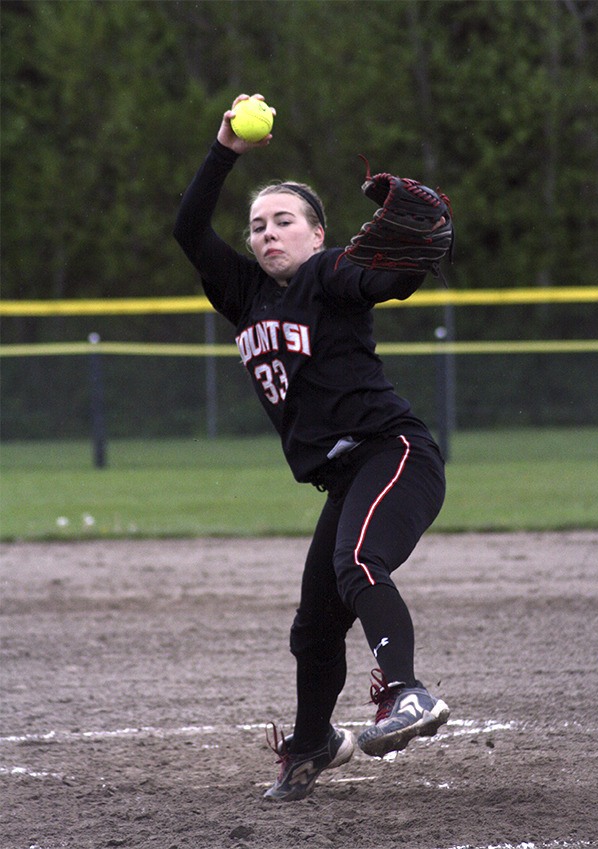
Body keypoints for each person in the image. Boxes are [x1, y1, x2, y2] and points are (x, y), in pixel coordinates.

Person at [174, 93, 450, 802]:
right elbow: (188, 228)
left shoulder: (330, 275)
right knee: (315, 628)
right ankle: (313, 743)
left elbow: (385, 278)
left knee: (358, 561)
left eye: (284, 221)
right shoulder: (244, 295)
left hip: (395, 454)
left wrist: (412, 260)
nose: (267, 234)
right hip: (343, 475)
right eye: (258, 224)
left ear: (317, 233)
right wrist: (225, 151)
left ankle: (407, 694)